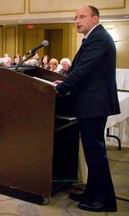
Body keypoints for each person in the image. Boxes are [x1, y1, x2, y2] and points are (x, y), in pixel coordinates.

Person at [54, 5, 120, 212]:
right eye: (75, 18)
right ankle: (92, 192)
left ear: (95, 19)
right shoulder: (94, 37)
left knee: (96, 153)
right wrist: (63, 80)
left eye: (82, 17)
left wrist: (61, 88)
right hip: (90, 104)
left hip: (93, 104)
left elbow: (84, 69)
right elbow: (80, 69)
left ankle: (105, 199)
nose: (77, 21)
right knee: (93, 152)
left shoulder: (98, 38)